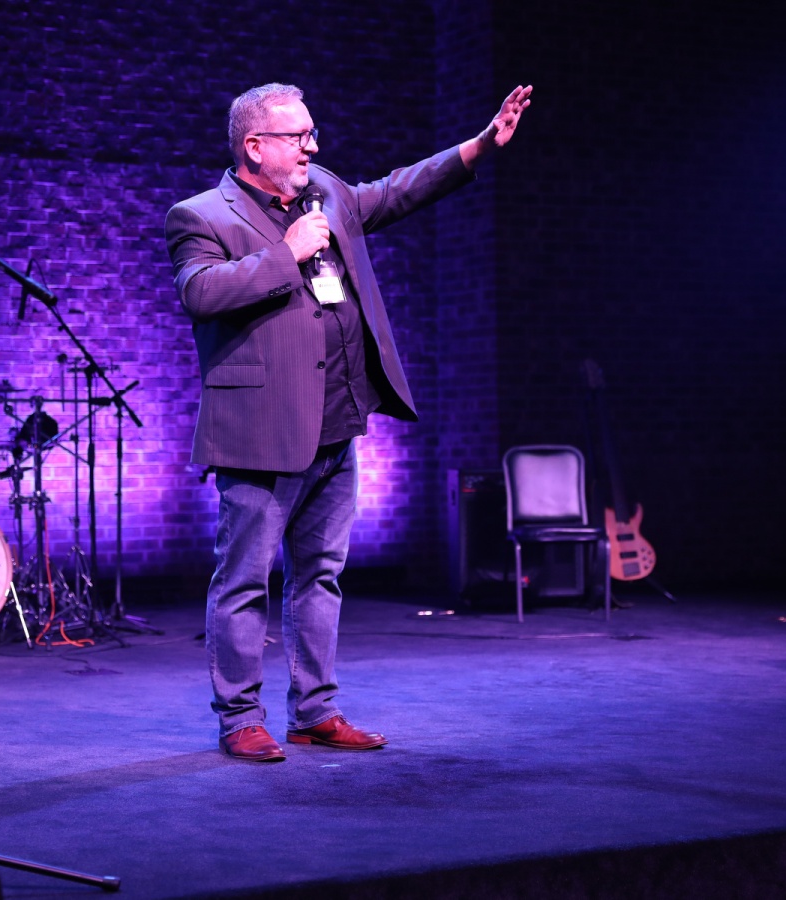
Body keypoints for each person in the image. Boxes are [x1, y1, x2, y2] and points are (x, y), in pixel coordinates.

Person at [165, 82, 532, 761]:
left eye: (312, 133)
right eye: (299, 135)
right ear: (255, 146)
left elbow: (395, 192)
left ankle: (314, 711)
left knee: (320, 576)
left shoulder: (326, 192)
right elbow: (201, 293)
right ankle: (240, 717)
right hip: (260, 433)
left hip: (337, 425)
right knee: (244, 580)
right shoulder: (201, 215)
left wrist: (479, 147)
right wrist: (287, 253)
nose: (313, 145)